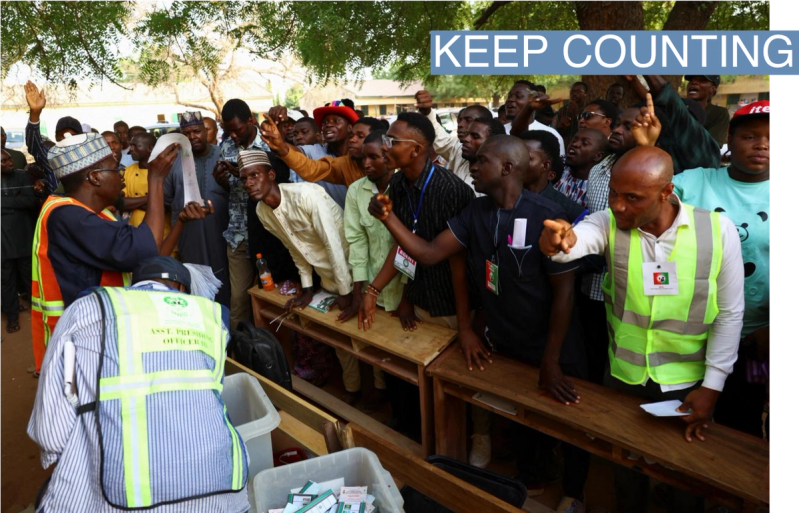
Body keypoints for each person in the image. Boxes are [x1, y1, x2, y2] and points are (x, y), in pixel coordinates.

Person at [369, 135, 589, 511]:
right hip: (506, 339)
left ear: (506, 168)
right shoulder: (476, 212)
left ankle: (575, 494)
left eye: (481, 161)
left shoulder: (546, 216)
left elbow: (564, 295)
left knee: (572, 424)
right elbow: (428, 252)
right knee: (520, 414)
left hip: (555, 345)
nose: (471, 165)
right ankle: (532, 477)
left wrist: (551, 359)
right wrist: (388, 217)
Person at [540, 146, 744, 513]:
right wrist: (556, 244)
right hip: (624, 375)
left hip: (688, 382)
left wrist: (712, 386)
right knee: (625, 468)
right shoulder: (608, 223)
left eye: (633, 198)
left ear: (666, 192)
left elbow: (730, 313)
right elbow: (574, 242)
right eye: (615, 193)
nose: (619, 205)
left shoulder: (718, 230)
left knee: (684, 478)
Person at [27, 256, 249, 512]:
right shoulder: (212, 317)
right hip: (226, 493)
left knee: (64, 483)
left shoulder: (89, 307)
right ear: (181, 290)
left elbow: (51, 433)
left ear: (135, 286)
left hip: (120, 498)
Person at [360, 112, 475, 442]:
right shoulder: (398, 183)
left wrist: (465, 326)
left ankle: (455, 447)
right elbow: (405, 243)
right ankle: (421, 437)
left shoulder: (449, 190)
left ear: (417, 149)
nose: (386, 147)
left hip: (453, 305)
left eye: (392, 142)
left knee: (452, 389)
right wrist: (376, 290)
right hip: (422, 297)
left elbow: (455, 264)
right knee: (416, 378)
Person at [30, 133, 179, 376]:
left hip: (94, 332)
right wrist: (156, 180)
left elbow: (144, 251)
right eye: (114, 169)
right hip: (81, 344)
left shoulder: (92, 213)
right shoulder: (68, 217)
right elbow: (145, 246)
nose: (121, 175)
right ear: (94, 177)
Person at [671, 101, 772, 439]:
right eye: (751, 136)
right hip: (693, 333)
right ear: (730, 137)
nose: (762, 145)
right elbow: (649, 202)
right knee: (685, 415)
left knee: (745, 417)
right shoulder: (695, 182)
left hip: (759, 340)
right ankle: (684, 489)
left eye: (771, 139)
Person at [240, 149, 363, 403]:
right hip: (329, 278)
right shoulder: (263, 211)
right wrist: (307, 288)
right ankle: (354, 390)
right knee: (341, 337)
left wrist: (347, 292)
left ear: (271, 174)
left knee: (366, 336)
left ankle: (378, 390)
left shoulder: (306, 194)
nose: (249, 183)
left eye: (255, 175)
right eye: (244, 178)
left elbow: (333, 245)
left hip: (356, 273)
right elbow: (296, 249)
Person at [342, 129, 402, 411]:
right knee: (378, 347)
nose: (366, 164)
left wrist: (409, 298)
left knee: (405, 355)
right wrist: (360, 290)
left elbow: (408, 246)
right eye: (364, 158)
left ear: (389, 157)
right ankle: (384, 394)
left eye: (374, 157)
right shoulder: (356, 190)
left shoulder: (403, 187)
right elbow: (356, 241)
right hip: (373, 289)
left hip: (403, 288)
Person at [213, 98, 271, 328]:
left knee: (268, 296)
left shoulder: (269, 143)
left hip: (268, 232)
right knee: (238, 299)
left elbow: (280, 184)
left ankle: (270, 352)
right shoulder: (226, 147)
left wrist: (244, 174)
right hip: (238, 233)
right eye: (229, 131)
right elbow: (231, 188)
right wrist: (223, 181)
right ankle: (240, 351)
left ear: (251, 120)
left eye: (237, 130)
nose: (234, 136)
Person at [164, 111, 231, 306]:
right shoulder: (174, 162)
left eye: (196, 131)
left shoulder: (223, 157)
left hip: (221, 236)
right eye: (186, 133)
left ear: (206, 131)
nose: (192, 137)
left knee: (224, 283)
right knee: (195, 285)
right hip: (189, 238)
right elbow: (167, 199)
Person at [625, 75, 720, 174]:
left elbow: (669, 100)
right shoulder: (658, 145)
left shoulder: (706, 154)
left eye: (702, 80)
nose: (694, 82)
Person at [414, 89, 500, 192]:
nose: (460, 124)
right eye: (460, 120)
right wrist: (427, 112)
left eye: (468, 120)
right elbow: (439, 136)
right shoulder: (459, 151)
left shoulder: (496, 173)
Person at [0, 149, 37, 333]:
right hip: (2, 242)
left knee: (30, 278)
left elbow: (29, 201)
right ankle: (12, 317)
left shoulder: (22, 176)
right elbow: (21, 202)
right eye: (4, 161)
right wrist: (15, 201)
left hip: (23, 237)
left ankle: (37, 311)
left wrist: (2, 203)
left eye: (9, 159)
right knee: (6, 282)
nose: (10, 162)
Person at [23, 81, 81, 195]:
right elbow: (34, 144)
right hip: (58, 210)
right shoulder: (52, 158)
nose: (68, 139)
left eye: (73, 136)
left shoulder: (92, 158)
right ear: (56, 137)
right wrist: (35, 112)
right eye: (63, 136)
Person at [518, 130, 583, 222]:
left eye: (526, 158)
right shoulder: (504, 199)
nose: (516, 162)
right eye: (515, 156)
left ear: (545, 165)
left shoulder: (570, 211)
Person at [504, 80, 566, 155]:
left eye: (518, 96)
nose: (510, 99)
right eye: (509, 96)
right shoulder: (497, 131)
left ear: (533, 100)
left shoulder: (551, 134)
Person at [553, 128, 607, 208]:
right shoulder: (557, 165)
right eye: (574, 140)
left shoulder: (598, 188)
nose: (575, 144)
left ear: (598, 156)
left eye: (585, 143)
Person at [684, 75, 730, 146]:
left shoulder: (719, 113)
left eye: (702, 80)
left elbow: (712, 146)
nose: (694, 82)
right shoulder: (677, 107)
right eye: (692, 80)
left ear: (713, 89)